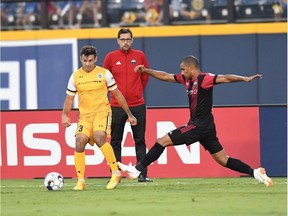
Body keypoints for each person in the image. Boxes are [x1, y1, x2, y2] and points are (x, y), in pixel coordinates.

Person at [118, 55, 273, 187]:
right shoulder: (186, 80)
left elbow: (225, 78)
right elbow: (166, 76)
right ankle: (255, 172)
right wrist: (146, 71)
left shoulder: (205, 79)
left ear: (192, 68)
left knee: (162, 140)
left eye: (183, 69)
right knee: (223, 159)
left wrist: (244, 79)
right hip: (207, 128)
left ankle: (137, 169)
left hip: (198, 126)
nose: (181, 72)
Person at [62, 45, 137, 190]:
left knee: (99, 137)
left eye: (90, 60)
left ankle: (115, 173)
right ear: (81, 59)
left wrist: (129, 114)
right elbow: (69, 98)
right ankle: (81, 181)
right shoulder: (75, 76)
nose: (88, 64)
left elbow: (117, 94)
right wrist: (65, 114)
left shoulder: (104, 74)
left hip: (102, 112)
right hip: (85, 116)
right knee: (79, 141)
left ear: (95, 59)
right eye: (85, 60)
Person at [102, 28, 152, 182]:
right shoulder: (111, 57)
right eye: (122, 39)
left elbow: (145, 77)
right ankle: (115, 174)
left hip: (137, 105)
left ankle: (142, 174)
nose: (125, 42)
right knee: (116, 141)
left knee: (140, 140)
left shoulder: (140, 56)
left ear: (132, 40)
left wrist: (136, 93)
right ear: (118, 41)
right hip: (116, 106)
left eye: (128, 39)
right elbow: (104, 80)